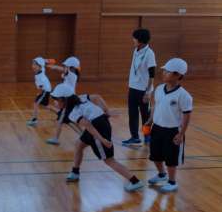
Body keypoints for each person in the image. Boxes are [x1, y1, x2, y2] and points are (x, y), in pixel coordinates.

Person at [48, 84, 144, 192]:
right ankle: (75, 172)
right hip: (100, 121)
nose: (54, 102)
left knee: (109, 160)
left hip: (97, 128)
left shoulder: (72, 113)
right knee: (79, 144)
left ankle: (135, 181)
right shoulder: (80, 98)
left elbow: (88, 125)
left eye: (56, 99)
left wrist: (102, 140)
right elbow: (97, 97)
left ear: (64, 99)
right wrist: (107, 111)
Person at [146, 58, 192, 193]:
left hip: (172, 131)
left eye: (168, 71)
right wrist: (150, 120)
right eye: (164, 70)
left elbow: (187, 115)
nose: (164, 73)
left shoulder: (184, 95)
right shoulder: (159, 89)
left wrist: (181, 134)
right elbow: (156, 105)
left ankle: (172, 182)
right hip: (157, 128)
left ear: (178, 75)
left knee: (171, 159)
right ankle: (161, 174)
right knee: (155, 155)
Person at [122, 28, 156, 146]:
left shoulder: (149, 54)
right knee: (132, 114)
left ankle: (147, 136)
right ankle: (134, 137)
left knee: (145, 115)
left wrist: (148, 92)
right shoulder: (135, 51)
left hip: (143, 90)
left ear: (140, 41)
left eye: (134, 38)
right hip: (133, 88)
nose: (133, 40)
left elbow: (152, 75)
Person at [45, 56, 81, 145]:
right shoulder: (71, 74)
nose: (65, 67)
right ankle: (83, 134)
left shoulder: (72, 74)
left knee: (63, 119)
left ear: (71, 67)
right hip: (68, 98)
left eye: (67, 65)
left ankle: (83, 136)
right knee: (64, 119)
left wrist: (52, 66)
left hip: (69, 98)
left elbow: (61, 69)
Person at [26, 57, 53, 127]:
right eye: (33, 64)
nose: (33, 66)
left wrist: (39, 94)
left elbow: (40, 88)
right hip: (46, 89)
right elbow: (42, 60)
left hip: (45, 91)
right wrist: (47, 60)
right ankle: (59, 112)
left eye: (35, 65)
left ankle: (34, 120)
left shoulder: (40, 77)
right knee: (45, 105)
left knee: (36, 103)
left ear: (40, 67)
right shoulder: (42, 69)